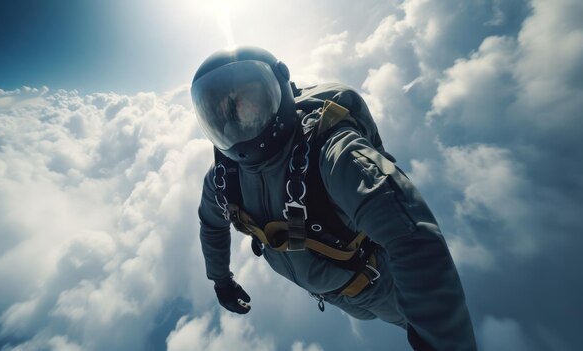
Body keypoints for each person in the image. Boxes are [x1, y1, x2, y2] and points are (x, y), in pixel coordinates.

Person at [191, 46, 477, 351]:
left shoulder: (334, 152)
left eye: (248, 104)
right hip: (342, 296)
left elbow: (412, 239)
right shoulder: (224, 178)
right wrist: (220, 279)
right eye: (219, 113)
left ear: (279, 88)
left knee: (418, 323)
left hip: (381, 289)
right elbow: (211, 224)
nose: (236, 123)